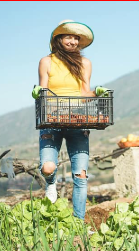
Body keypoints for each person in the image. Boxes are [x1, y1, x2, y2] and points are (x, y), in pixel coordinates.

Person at [32, 20, 110, 220]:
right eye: (69, 36)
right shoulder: (46, 62)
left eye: (76, 38)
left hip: (77, 119)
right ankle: (51, 184)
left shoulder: (84, 63)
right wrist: (39, 93)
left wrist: (96, 93)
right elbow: (45, 91)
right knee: (48, 167)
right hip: (52, 119)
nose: (73, 41)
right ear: (58, 39)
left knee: (81, 176)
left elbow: (84, 92)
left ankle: (78, 222)